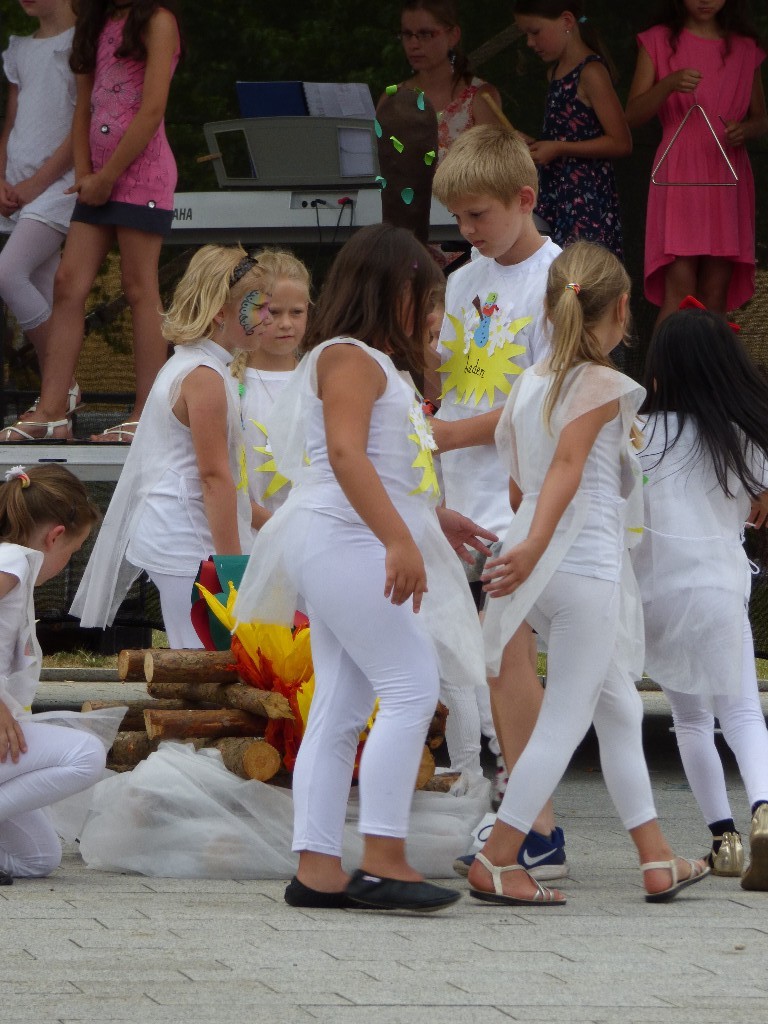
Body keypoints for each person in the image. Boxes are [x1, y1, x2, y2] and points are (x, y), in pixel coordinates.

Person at [233, 224, 495, 913]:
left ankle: (318, 866)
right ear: (393, 290)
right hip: (348, 539)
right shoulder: (352, 358)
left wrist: (430, 520)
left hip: (345, 538)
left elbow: (385, 462)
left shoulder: (366, 361)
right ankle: (382, 858)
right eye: (426, 298)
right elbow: (345, 456)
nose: (433, 315)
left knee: (342, 704)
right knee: (411, 686)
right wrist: (398, 541)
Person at [468, 241, 710, 906]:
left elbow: (520, 483)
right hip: (581, 565)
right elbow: (568, 468)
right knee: (565, 719)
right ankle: (498, 858)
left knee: (619, 708)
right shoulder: (602, 385)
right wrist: (538, 542)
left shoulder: (531, 382)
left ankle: (655, 858)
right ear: (623, 308)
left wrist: (528, 543)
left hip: (537, 568)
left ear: (550, 309)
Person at [429, 123, 567, 874]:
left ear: (525, 198)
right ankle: (518, 809)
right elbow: (452, 380)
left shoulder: (560, 281)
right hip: (459, 493)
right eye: (458, 218)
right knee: (480, 659)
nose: (468, 231)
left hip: (520, 494)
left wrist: (453, 435)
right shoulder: (461, 281)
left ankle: (534, 822)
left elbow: (546, 402)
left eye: (479, 214)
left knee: (510, 658)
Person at [70, 245, 273, 648]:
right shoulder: (203, 377)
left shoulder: (195, 365)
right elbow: (214, 477)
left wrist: (274, 524)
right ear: (220, 313)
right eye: (258, 306)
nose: (267, 316)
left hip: (182, 534)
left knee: (206, 655)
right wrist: (230, 567)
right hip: (187, 540)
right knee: (208, 656)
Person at [0, 0, 182, 443]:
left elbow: (152, 109)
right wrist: (86, 175)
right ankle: (52, 410)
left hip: (139, 175)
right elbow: (83, 108)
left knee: (138, 286)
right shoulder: (94, 24)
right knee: (68, 283)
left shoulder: (158, 21)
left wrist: (109, 175)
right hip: (95, 180)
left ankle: (145, 413)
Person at [633, 306, 768, 891]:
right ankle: (764, 810)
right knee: (741, 711)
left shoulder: (638, 433)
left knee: (690, 718)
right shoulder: (740, 435)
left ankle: (724, 841)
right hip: (718, 589)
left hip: (655, 594)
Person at [625, 0, 767, 323]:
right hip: (679, 169)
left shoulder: (746, 48)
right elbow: (631, 115)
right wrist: (668, 84)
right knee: (680, 289)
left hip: (726, 167)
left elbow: (761, 119)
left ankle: (707, 358)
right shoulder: (658, 40)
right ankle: (665, 360)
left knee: (715, 292)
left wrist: (745, 130)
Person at [0, 464, 105, 880]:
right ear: (55, 536)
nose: (67, 562)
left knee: (37, 858)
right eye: (73, 552)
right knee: (86, 754)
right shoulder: (13, 561)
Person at [0, 0, 79, 411]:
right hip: (17, 188)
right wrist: (2, 178)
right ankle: (57, 409)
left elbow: (80, 130)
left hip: (56, 188)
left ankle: (63, 385)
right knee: (43, 289)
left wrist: (35, 185)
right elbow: (10, 124)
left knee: (8, 273)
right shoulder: (20, 49)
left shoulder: (81, 44)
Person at [513, 0, 631, 257]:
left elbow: (621, 142)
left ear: (566, 21)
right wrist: (538, 145)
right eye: (526, 35)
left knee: (584, 273)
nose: (530, 43)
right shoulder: (554, 72)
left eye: (535, 32)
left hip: (586, 198)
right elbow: (565, 135)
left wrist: (558, 148)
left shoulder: (591, 72)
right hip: (557, 194)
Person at [231, 249, 310, 533]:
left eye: (296, 312)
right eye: (274, 312)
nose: (286, 323)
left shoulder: (319, 382)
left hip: (308, 536)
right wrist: (277, 529)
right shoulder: (230, 383)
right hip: (246, 540)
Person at [388, 0, 504, 160]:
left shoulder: (479, 98)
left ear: (453, 36)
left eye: (425, 34)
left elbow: (492, 167)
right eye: (407, 34)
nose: (413, 44)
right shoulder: (391, 99)